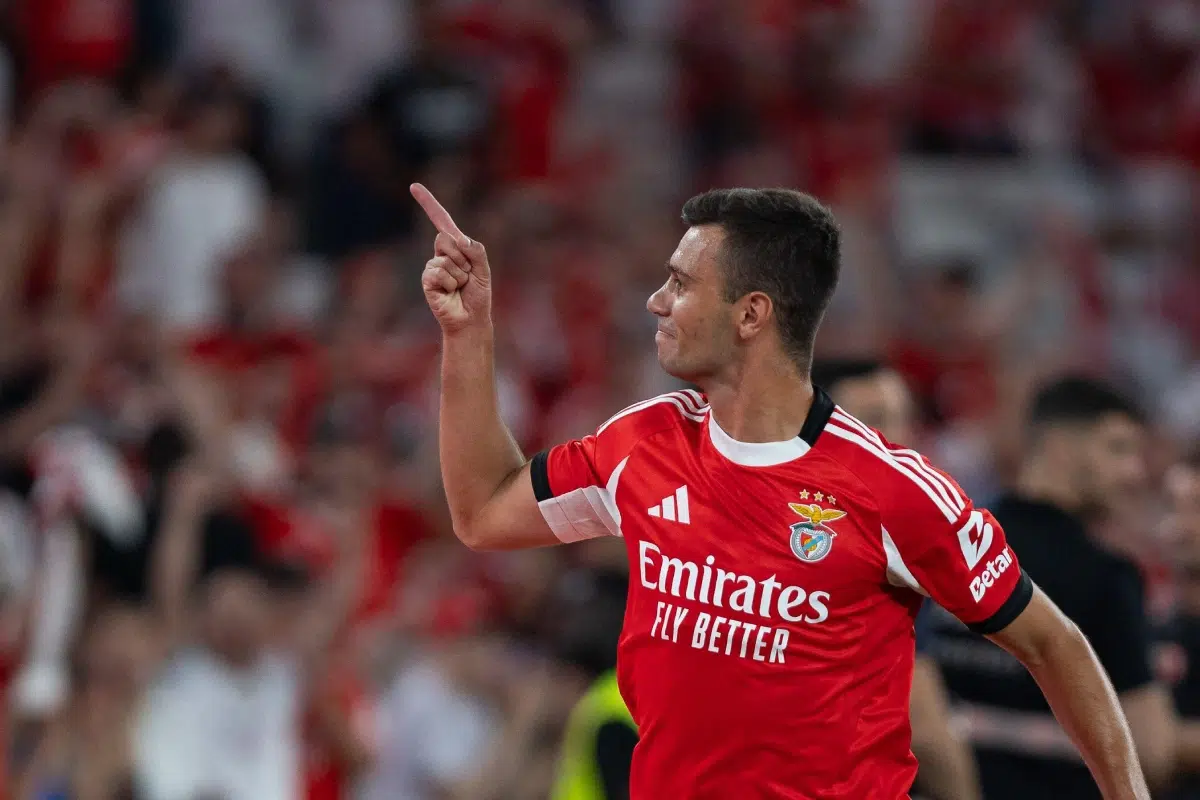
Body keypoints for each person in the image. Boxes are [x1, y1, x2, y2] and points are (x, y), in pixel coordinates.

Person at [413, 183, 1150, 799]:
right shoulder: (643, 442)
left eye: (680, 282)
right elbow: (484, 512)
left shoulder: (893, 490)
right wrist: (468, 335)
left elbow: (1056, 646)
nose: (654, 301)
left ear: (751, 314)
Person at [927, 376, 1175, 798]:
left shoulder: (945, 542)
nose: (1135, 473)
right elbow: (1154, 752)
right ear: (1060, 446)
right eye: (1118, 449)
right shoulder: (1104, 577)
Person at [812, 358, 980, 800]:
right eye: (873, 423)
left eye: (904, 420)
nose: (898, 442)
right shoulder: (876, 552)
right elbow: (922, 728)